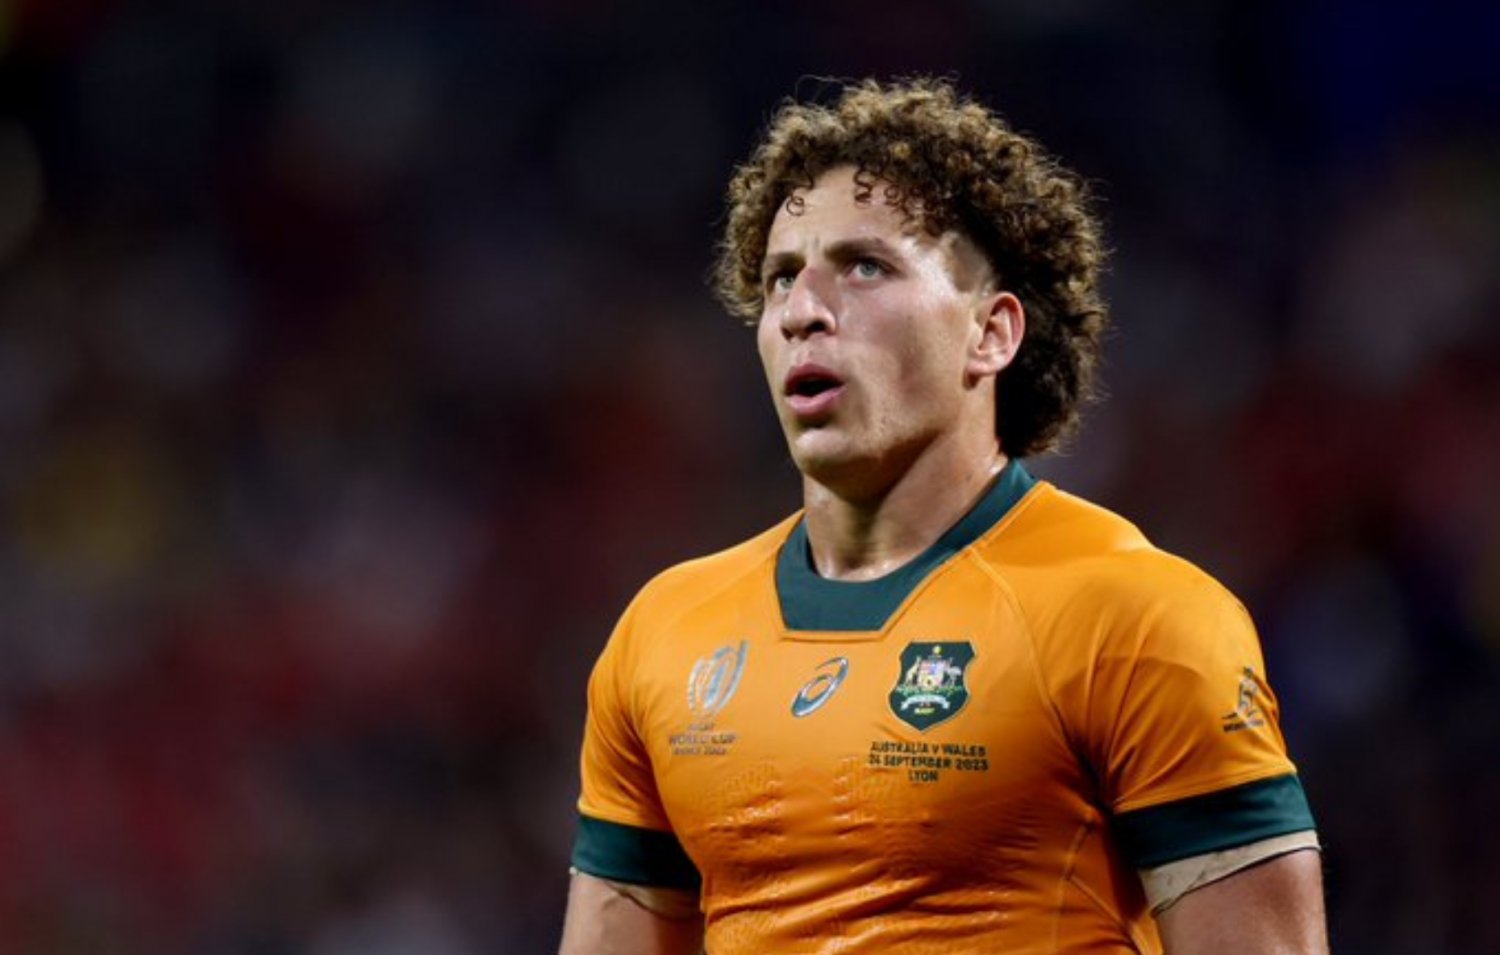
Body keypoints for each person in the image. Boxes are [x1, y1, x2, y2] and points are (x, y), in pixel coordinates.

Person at [558, 78, 1327, 955]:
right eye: (780, 279)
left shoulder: (1136, 617)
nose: (803, 311)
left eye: (865, 265)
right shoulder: (664, 633)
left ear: (991, 333)